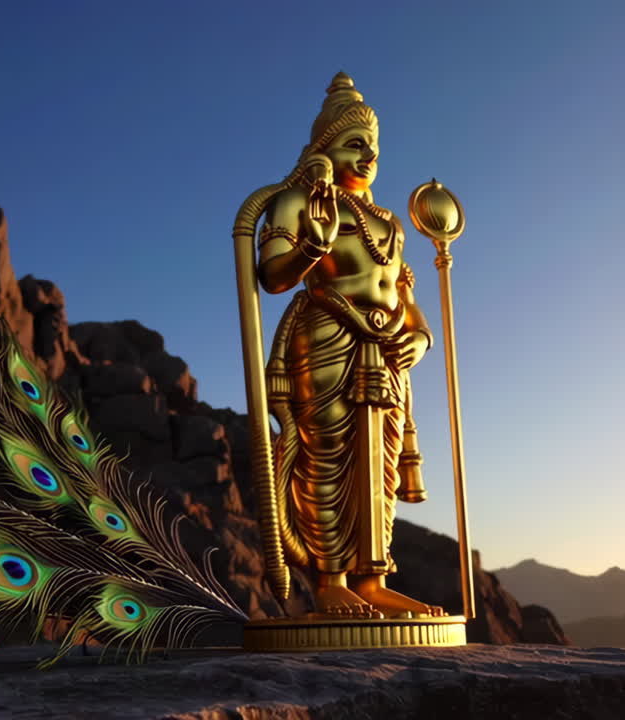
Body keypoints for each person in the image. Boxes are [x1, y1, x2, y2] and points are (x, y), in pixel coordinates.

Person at [254, 73, 444, 618]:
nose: (367, 157)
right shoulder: (298, 201)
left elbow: (404, 295)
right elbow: (272, 276)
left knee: (380, 463)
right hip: (327, 337)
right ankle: (331, 578)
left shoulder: (389, 222)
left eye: (373, 148)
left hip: (389, 350)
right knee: (328, 454)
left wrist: (421, 336)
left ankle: (372, 579)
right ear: (323, 149)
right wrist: (310, 248)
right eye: (354, 144)